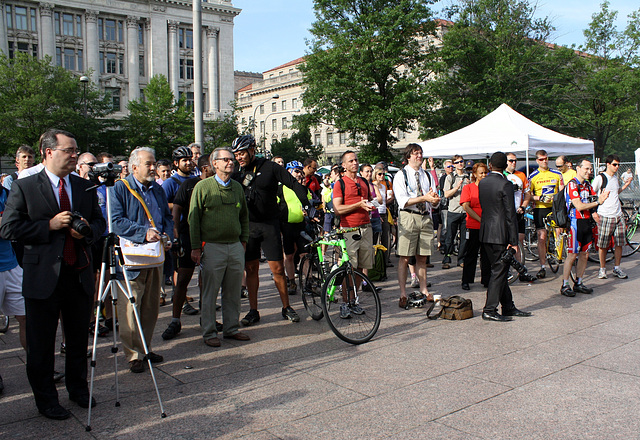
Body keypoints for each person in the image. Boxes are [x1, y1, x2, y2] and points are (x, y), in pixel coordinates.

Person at [0, 129, 105, 419]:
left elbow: (99, 224)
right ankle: (46, 399)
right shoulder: (26, 186)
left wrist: (86, 233)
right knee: (41, 344)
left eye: (75, 150)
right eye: (68, 150)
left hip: (78, 273)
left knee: (76, 339)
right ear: (49, 152)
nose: (74, 155)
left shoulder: (84, 186)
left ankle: (78, 389)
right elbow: (8, 228)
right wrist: (49, 225)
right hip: (43, 276)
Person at [231, 135, 309, 325]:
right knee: (251, 269)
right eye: (236, 155)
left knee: (278, 269)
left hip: (270, 225)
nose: (239, 157)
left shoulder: (271, 167)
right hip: (249, 226)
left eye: (242, 153)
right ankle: (253, 310)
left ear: (252, 149)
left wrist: (307, 204)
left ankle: (286, 307)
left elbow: (293, 184)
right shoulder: (236, 173)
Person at [111, 147, 173, 373]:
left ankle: (145, 348)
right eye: (148, 164)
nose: (153, 168)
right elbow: (115, 221)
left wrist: (168, 236)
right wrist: (143, 232)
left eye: (154, 163)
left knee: (150, 307)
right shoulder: (120, 188)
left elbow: (166, 217)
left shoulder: (157, 189)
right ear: (134, 167)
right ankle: (133, 354)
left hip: (155, 256)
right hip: (132, 260)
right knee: (130, 307)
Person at [189, 148, 250, 347]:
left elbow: (244, 217)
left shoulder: (237, 187)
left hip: (234, 246)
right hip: (212, 246)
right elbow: (194, 219)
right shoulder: (203, 187)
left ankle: (231, 328)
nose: (230, 162)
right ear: (214, 164)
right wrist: (196, 247)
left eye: (232, 159)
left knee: (233, 292)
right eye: (225, 159)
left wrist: (243, 240)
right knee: (210, 292)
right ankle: (209, 332)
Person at [161, 154, 214, 341]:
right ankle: (175, 320)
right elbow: (176, 209)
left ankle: (207, 319)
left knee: (207, 281)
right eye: (214, 164)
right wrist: (175, 232)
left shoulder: (219, 185)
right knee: (182, 279)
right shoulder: (189, 184)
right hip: (187, 237)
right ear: (206, 167)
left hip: (210, 239)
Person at [478, 152, 531, 321]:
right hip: (500, 233)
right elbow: (510, 214)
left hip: (486, 231)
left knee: (499, 269)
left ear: (491, 165)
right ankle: (490, 309)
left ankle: (508, 306)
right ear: (505, 166)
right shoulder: (505, 184)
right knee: (498, 272)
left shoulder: (483, 183)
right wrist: (513, 241)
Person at [393, 144, 440, 308]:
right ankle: (403, 293)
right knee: (405, 257)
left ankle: (424, 290)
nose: (419, 156)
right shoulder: (401, 175)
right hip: (409, 216)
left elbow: (432, 197)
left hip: (425, 217)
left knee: (422, 257)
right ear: (408, 156)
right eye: (415, 153)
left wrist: (434, 200)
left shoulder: (427, 175)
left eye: (420, 153)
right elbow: (403, 201)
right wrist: (424, 198)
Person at [333, 150, 378, 318]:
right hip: (349, 229)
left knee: (360, 267)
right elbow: (338, 209)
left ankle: (354, 300)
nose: (355, 163)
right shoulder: (340, 184)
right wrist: (359, 205)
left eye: (356, 160)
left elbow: (367, 202)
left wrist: (369, 205)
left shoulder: (363, 182)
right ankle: (345, 302)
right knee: (348, 268)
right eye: (351, 161)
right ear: (344, 165)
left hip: (366, 227)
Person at [561, 160, 609, 297]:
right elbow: (579, 206)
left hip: (587, 223)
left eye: (590, 169)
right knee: (572, 255)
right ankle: (565, 285)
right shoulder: (572, 184)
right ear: (578, 168)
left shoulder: (587, 185)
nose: (589, 171)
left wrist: (600, 200)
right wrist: (598, 201)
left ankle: (579, 282)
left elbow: (593, 200)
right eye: (586, 169)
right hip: (575, 223)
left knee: (585, 254)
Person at [591, 154, 631, 280]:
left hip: (617, 214)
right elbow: (592, 194)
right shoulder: (600, 178)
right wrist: (594, 211)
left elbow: (615, 192)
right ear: (608, 164)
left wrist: (626, 185)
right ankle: (602, 269)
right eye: (614, 164)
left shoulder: (615, 178)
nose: (617, 167)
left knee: (619, 243)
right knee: (603, 244)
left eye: (618, 164)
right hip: (605, 215)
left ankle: (617, 268)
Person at [528, 149, 563, 279]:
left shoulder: (556, 173)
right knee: (541, 236)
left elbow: (562, 191)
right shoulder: (533, 176)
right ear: (537, 161)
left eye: (546, 158)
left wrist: (557, 198)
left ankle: (558, 255)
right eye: (541, 159)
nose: (544, 161)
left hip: (554, 208)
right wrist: (539, 198)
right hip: (540, 208)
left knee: (559, 232)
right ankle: (542, 266)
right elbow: (529, 196)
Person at [505, 153, 536, 283]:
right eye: (511, 160)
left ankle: (521, 270)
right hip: (506, 213)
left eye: (515, 161)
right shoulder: (501, 175)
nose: (513, 163)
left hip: (518, 211)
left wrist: (523, 206)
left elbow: (528, 194)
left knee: (519, 241)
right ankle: (506, 270)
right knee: (507, 243)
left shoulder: (521, 175)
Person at [460, 162, 491, 290]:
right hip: (473, 225)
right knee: (471, 254)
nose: (483, 175)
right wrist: (480, 219)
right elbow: (466, 206)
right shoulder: (468, 188)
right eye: (481, 173)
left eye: (485, 172)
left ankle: (486, 279)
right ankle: (466, 280)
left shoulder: (489, 188)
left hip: (487, 226)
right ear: (475, 174)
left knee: (487, 254)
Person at [442, 155, 468, 269]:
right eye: (457, 162)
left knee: (464, 238)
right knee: (450, 237)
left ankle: (461, 259)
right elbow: (446, 194)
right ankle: (447, 258)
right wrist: (457, 188)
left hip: (466, 211)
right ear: (454, 165)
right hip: (453, 210)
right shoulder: (450, 177)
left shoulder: (469, 176)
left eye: (461, 161)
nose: (460, 164)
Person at [372, 164, 393, 265]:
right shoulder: (372, 185)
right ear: (375, 175)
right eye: (379, 174)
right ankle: (375, 261)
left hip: (384, 212)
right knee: (375, 239)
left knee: (386, 238)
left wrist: (390, 198)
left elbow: (385, 200)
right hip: (376, 213)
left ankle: (385, 260)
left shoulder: (384, 186)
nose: (381, 176)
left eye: (383, 174)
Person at [360, 163, 383, 244]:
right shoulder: (359, 185)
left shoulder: (374, 186)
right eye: (367, 171)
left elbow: (380, 200)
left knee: (375, 244)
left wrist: (371, 201)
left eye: (371, 171)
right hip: (364, 218)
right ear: (361, 172)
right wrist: (374, 200)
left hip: (375, 216)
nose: (369, 174)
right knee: (365, 244)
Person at [438, 159, 453, 251]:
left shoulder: (455, 176)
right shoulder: (444, 178)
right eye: (449, 166)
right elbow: (445, 191)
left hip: (454, 205)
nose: (451, 168)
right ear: (444, 168)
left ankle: (451, 245)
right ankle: (443, 245)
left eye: (452, 166)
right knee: (445, 226)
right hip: (445, 205)